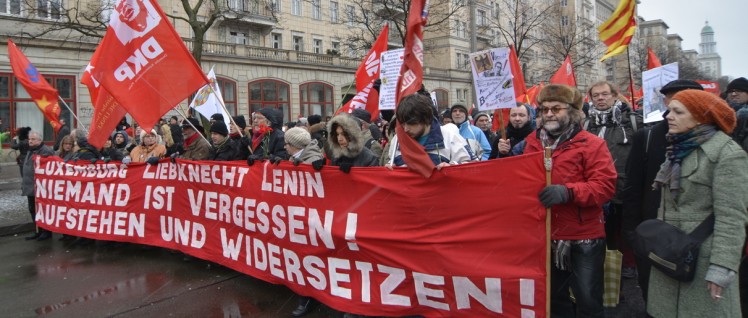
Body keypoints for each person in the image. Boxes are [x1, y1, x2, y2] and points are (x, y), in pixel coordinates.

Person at [514, 84, 616, 318]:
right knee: (553, 299)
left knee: (588, 300)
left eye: (556, 108)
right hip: (544, 234)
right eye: (544, 109)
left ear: (572, 111)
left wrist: (568, 192)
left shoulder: (591, 144)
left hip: (583, 237)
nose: (549, 113)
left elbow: (606, 186)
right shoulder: (531, 143)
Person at [645, 89, 748, 317]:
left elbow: (732, 217)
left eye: (677, 112)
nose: (668, 116)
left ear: (701, 117)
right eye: (670, 110)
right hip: (670, 255)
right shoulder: (678, 148)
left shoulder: (728, 154)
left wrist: (722, 266)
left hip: (704, 261)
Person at [621, 79, 704, 304]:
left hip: (700, 239)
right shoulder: (646, 138)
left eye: (685, 98)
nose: (676, 105)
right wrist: (632, 232)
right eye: (672, 99)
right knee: (655, 300)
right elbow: (633, 188)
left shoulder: (719, 143)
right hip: (654, 234)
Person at [585, 80, 642, 278]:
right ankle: (607, 269)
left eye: (604, 94)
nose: (600, 98)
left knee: (626, 230)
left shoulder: (633, 121)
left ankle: (628, 264)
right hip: (596, 188)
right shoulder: (585, 123)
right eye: (596, 95)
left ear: (615, 95)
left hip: (625, 187)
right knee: (603, 232)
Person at [283, 127, 325, 317]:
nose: (284, 147)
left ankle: (308, 296)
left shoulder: (312, 159)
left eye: (287, 144)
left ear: (294, 146)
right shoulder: (298, 157)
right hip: (300, 214)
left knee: (309, 256)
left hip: (311, 217)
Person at [385, 93, 472, 169]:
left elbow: (469, 167)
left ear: (426, 119)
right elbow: (390, 164)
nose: (405, 129)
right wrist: (391, 168)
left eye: (411, 123)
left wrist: (452, 167)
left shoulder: (449, 137)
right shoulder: (397, 140)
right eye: (403, 124)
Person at [22, 131, 55, 241]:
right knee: (33, 209)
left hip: (40, 187)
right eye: (29, 139)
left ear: (40, 140)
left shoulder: (45, 150)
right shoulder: (31, 149)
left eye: (33, 139)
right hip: (30, 186)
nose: (30, 141)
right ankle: (38, 230)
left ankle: (46, 232)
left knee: (42, 210)